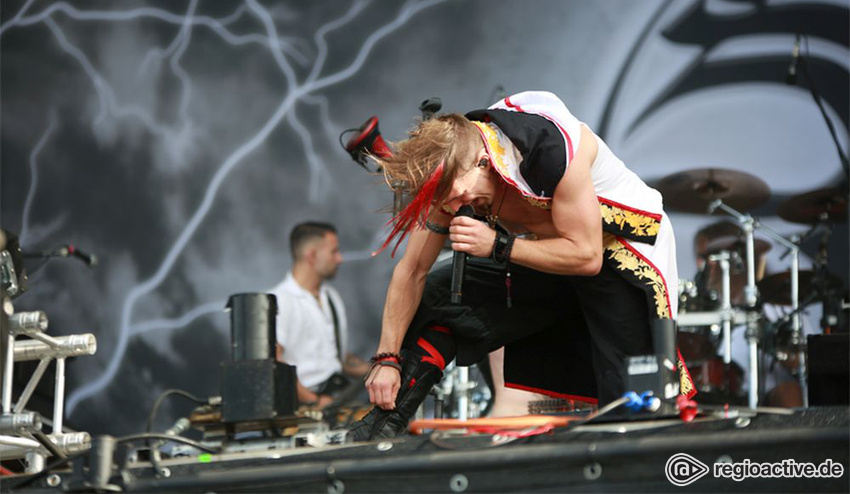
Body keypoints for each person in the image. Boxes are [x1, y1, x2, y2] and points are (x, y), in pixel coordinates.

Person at [349, 91, 694, 440]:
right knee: (440, 296)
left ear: (484, 162)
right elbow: (411, 271)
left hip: (616, 252)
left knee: (633, 403)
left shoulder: (549, 149)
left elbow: (588, 256)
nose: (454, 208)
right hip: (546, 252)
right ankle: (381, 428)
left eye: (457, 197)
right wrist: (386, 358)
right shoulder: (451, 179)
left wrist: (498, 245)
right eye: (446, 201)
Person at [271, 222, 368, 408]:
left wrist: (378, 369)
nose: (339, 259)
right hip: (303, 410)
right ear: (312, 256)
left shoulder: (331, 297)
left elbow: (333, 355)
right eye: (334, 251)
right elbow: (273, 363)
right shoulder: (280, 300)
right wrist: (314, 400)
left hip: (337, 399)